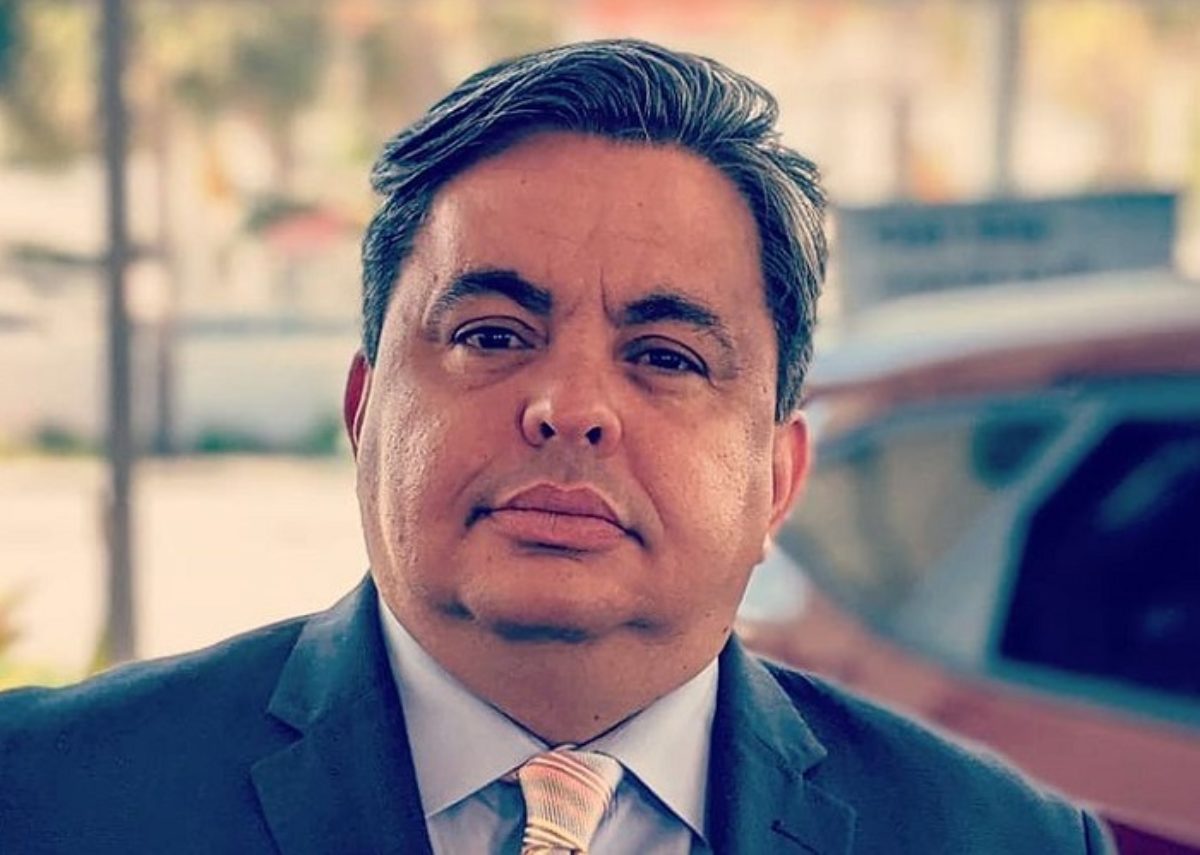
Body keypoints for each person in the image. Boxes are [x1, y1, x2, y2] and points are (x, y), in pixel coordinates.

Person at [0, 39, 1112, 854]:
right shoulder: (44, 797)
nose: (571, 407)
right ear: (364, 413)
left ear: (778, 479)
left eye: (666, 355)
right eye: (492, 334)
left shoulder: (1002, 839)